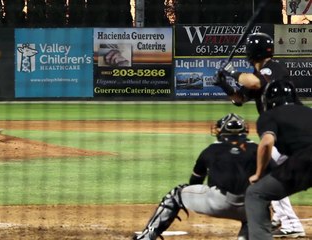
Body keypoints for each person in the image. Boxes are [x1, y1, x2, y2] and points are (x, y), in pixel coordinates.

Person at [214, 32, 305, 237]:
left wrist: (230, 70)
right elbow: (239, 99)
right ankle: (282, 219)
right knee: (269, 173)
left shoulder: (272, 68)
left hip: (291, 134)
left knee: (270, 173)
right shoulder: (260, 73)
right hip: (284, 135)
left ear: (250, 53)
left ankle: (290, 222)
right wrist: (223, 84)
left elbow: (254, 83)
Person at [133, 113, 261, 240]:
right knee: (256, 213)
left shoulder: (211, 149)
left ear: (220, 131)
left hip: (216, 203)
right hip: (248, 206)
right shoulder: (257, 149)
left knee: (176, 194)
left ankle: (146, 237)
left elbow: (195, 181)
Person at [245, 80, 311, 239]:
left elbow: (267, 143)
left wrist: (259, 174)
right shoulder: (308, 111)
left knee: (255, 194)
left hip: (304, 161)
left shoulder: (269, 116)